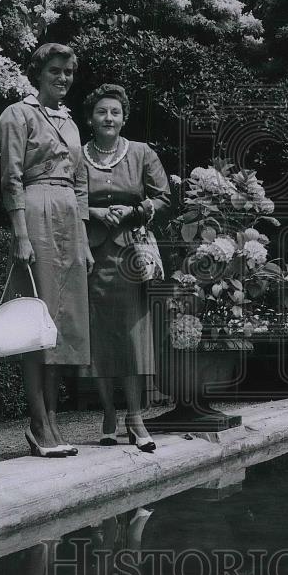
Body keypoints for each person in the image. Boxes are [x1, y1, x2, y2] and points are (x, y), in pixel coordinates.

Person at [0, 43, 93, 458]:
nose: (63, 78)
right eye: (55, 70)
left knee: (61, 324)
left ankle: (53, 420)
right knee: (38, 319)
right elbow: (11, 177)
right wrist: (21, 233)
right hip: (36, 212)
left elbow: (82, 181)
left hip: (69, 219)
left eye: (69, 72)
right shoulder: (17, 114)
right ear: (38, 72)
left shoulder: (70, 122)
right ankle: (38, 422)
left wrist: (85, 240)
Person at [80, 84, 170, 452]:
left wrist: (134, 211)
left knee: (132, 338)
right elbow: (67, 196)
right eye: (102, 112)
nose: (108, 118)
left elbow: (164, 197)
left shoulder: (142, 153)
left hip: (132, 257)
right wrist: (94, 212)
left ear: (124, 117)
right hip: (91, 254)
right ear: (90, 118)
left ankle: (135, 416)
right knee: (100, 337)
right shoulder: (77, 156)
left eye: (115, 112)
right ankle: (108, 414)